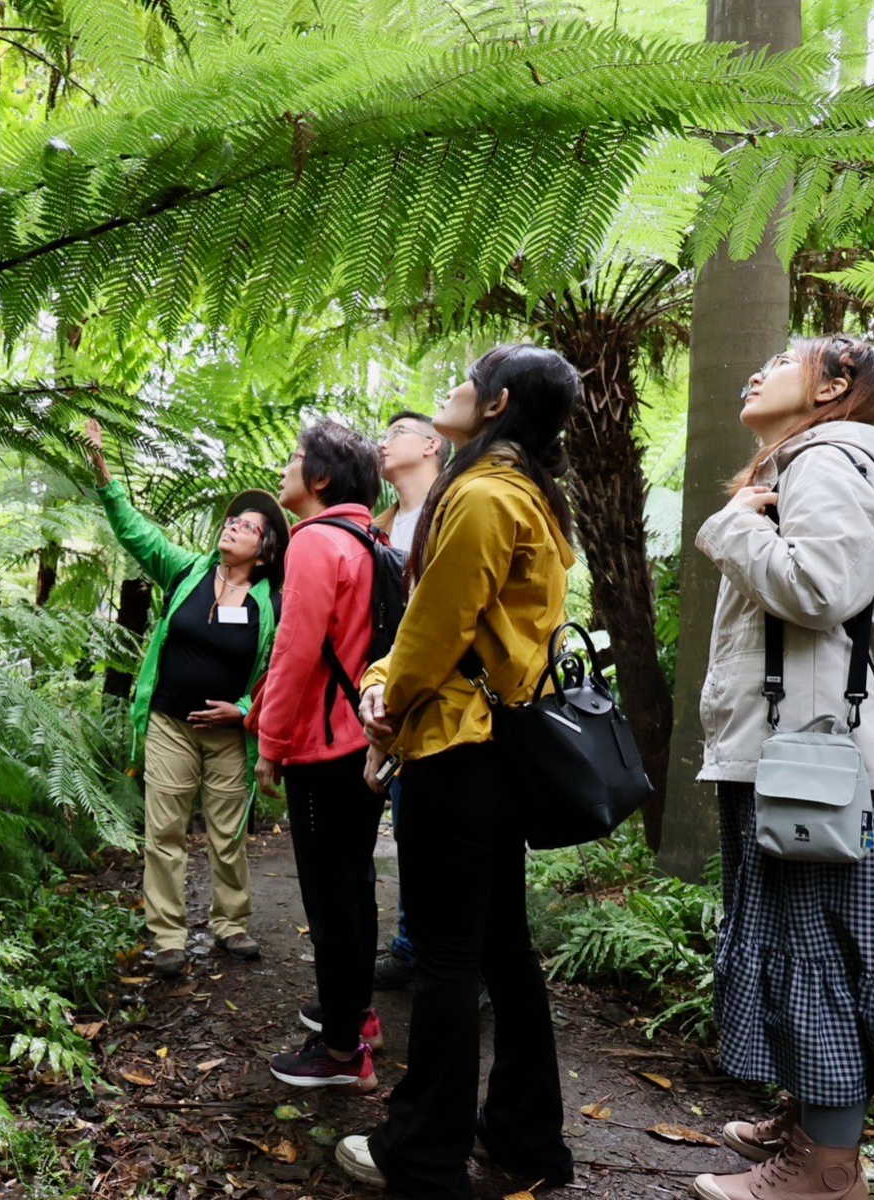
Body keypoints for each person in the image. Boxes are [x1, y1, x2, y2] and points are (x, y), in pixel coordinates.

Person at [686, 336, 874, 1200]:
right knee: (802, 940)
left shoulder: (828, 462)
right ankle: (808, 1119)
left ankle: (827, 1172)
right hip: (803, 754)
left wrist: (728, 529)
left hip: (820, 761)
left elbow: (820, 590)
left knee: (820, 952)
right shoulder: (810, 463)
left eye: (784, 361)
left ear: (834, 387)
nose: (755, 371)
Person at [335, 345, 581, 1198]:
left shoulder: (480, 496)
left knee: (447, 956)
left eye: (462, 382)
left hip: (456, 745)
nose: (448, 392)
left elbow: (433, 630)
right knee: (502, 949)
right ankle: (524, 1140)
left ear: (497, 402)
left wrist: (383, 703)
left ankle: (423, 1152)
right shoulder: (534, 497)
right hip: (497, 747)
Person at [84, 419, 289, 980]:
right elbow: (136, 532)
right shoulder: (189, 571)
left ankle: (230, 923)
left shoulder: (274, 602)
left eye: (247, 526)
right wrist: (104, 474)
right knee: (165, 831)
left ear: (265, 550)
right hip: (171, 724)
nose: (234, 526)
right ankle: (168, 935)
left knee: (228, 837)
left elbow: (282, 674)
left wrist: (244, 712)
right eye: (233, 520)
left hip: (227, 736)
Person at [253, 421, 387, 1092]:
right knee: (354, 887)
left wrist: (268, 745)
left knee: (329, 897)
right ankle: (356, 1019)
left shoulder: (314, 542)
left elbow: (295, 652)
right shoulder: (370, 537)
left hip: (322, 743)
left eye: (294, 460)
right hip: (363, 741)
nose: (284, 469)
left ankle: (339, 1053)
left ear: (322, 478)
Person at [369, 410, 444, 992]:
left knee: (437, 826)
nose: (382, 442)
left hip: (444, 693)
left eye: (395, 433)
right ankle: (410, 944)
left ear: (432, 444)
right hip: (386, 691)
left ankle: (452, 957)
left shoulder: (453, 508)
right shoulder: (378, 526)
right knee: (406, 823)